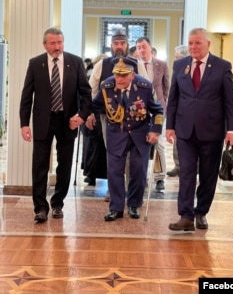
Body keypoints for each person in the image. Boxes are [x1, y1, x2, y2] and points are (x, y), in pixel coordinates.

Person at [166, 28, 233, 231]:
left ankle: (201, 212)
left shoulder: (222, 66)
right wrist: (169, 125)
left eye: (197, 43)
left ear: (208, 44)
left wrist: (231, 129)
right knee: (186, 173)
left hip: (212, 130)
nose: (193, 47)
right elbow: (174, 98)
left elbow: (229, 102)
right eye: (190, 43)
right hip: (185, 129)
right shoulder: (180, 65)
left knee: (208, 175)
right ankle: (186, 216)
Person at [19, 27, 92, 223]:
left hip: (67, 121)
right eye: (52, 43)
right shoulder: (35, 64)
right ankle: (40, 208)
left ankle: (58, 204)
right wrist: (24, 124)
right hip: (43, 120)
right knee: (40, 165)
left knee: (65, 165)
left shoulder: (75, 62)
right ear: (45, 45)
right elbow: (27, 96)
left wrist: (82, 116)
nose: (56, 46)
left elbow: (86, 94)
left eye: (59, 42)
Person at [86, 57, 164, 221]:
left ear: (132, 75)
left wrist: (155, 130)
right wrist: (84, 115)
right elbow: (95, 104)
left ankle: (134, 205)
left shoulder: (144, 86)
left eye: (124, 75)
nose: (119, 79)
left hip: (139, 134)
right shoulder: (107, 85)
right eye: (116, 75)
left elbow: (157, 111)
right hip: (116, 134)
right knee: (114, 172)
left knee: (138, 171)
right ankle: (116, 208)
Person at [89, 29, 148, 201]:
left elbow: (147, 88)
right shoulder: (102, 64)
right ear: (111, 45)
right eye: (116, 43)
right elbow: (92, 89)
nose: (119, 47)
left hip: (135, 119)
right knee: (114, 155)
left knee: (133, 156)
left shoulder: (137, 64)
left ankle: (132, 191)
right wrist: (91, 112)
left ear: (127, 45)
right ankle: (115, 191)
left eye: (122, 43)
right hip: (110, 118)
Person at [136, 37, 169, 191]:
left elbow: (166, 86)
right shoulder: (134, 64)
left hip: (157, 108)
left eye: (144, 46)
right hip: (139, 108)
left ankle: (160, 177)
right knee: (140, 143)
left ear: (150, 47)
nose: (141, 50)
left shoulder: (161, 64)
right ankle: (140, 176)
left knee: (159, 144)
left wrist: (163, 104)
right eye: (138, 47)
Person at [81, 54, 108, 186]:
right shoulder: (88, 74)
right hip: (93, 111)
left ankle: (91, 174)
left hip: (98, 111)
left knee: (95, 146)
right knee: (93, 145)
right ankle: (92, 174)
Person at [166, 45, 189, 177]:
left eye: (176, 56)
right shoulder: (178, 69)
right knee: (177, 141)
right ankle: (178, 166)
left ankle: (193, 168)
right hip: (179, 111)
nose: (175, 59)